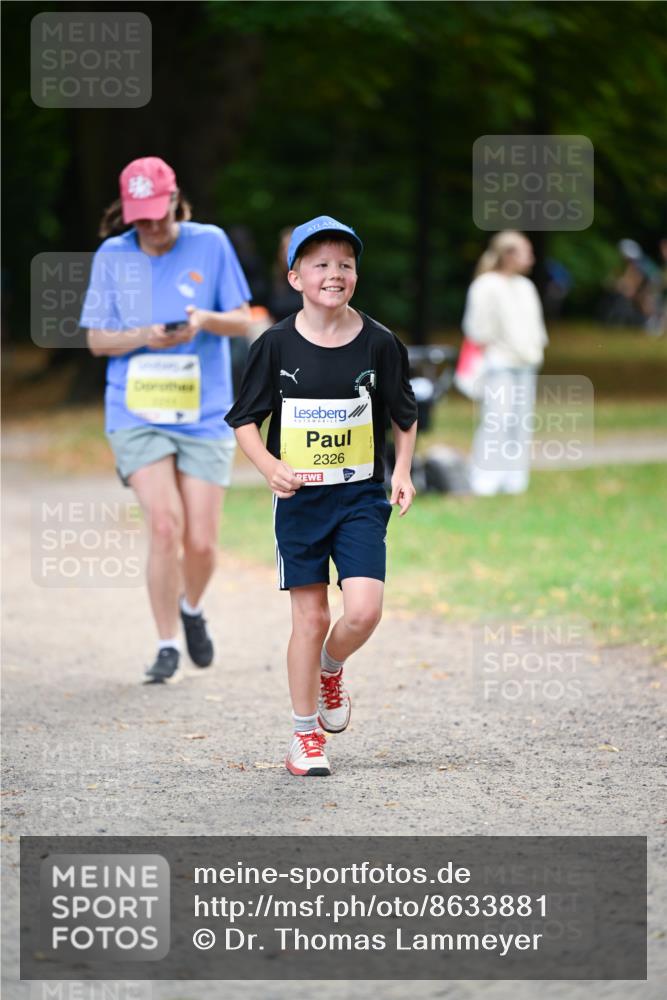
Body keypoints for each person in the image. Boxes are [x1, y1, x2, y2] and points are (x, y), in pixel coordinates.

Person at [225, 215, 418, 776]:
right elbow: (244, 421)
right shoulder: (275, 344)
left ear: (356, 275)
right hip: (301, 502)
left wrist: (402, 472)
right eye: (321, 265)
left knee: (364, 611)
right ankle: (304, 735)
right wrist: (269, 466)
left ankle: (331, 668)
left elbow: (404, 414)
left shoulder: (380, 343)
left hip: (360, 497)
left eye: (345, 265)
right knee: (309, 618)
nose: (335, 274)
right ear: (295, 278)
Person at [81, 156, 251, 682]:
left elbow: (243, 320)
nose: (151, 226)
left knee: (201, 542)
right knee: (163, 524)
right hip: (136, 410)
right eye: (141, 217)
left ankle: (191, 608)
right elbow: (96, 341)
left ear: (176, 202)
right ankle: (165, 644)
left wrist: (204, 320)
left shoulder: (211, 243)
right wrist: (145, 336)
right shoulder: (113, 255)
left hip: (204, 410)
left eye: (158, 213)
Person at [462, 230, 548, 496]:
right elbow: (477, 329)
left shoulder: (526, 286)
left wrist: (533, 351)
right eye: (525, 252)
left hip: (526, 364)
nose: (531, 258)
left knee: (520, 423)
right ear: (508, 254)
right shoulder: (486, 285)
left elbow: (536, 328)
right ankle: (485, 480)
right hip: (499, 365)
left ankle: (514, 480)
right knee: (496, 421)